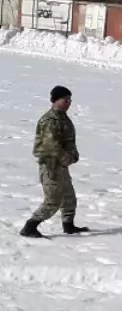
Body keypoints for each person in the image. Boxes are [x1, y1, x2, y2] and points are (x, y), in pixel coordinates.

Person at [20, 86, 87, 238]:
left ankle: (68, 225)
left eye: (70, 100)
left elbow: (68, 141)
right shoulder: (50, 120)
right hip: (51, 166)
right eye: (65, 100)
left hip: (61, 166)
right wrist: (67, 158)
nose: (69, 103)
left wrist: (73, 155)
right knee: (53, 201)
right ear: (56, 100)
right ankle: (30, 226)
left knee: (69, 197)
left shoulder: (62, 117)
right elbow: (52, 145)